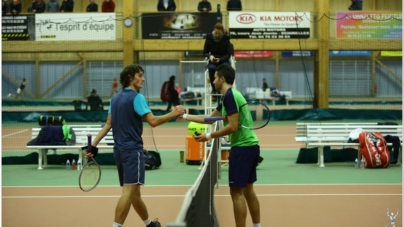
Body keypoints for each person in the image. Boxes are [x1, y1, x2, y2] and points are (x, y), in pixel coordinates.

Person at [85, 64, 185, 227]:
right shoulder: (137, 98)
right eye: (140, 75)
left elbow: (108, 124)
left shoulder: (115, 99)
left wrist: (93, 145)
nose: (143, 79)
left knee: (135, 193)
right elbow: (153, 121)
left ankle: (149, 224)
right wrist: (174, 113)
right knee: (128, 192)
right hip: (132, 152)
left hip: (118, 152)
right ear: (130, 77)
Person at [181, 64, 261, 227]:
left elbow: (232, 127)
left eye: (215, 77)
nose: (213, 80)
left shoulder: (230, 96)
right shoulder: (228, 97)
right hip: (251, 146)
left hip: (242, 148)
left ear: (222, 79)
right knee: (248, 190)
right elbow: (209, 119)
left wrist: (208, 136)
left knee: (237, 193)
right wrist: (183, 115)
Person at [203, 22, 232, 94]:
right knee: (212, 68)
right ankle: (214, 88)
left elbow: (228, 54)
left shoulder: (226, 39)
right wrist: (210, 56)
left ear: (222, 32)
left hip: (223, 60)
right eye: (216, 33)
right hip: (213, 61)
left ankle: (225, 88)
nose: (217, 35)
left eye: (219, 33)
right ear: (214, 31)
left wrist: (221, 59)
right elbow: (204, 53)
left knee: (225, 68)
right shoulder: (209, 38)